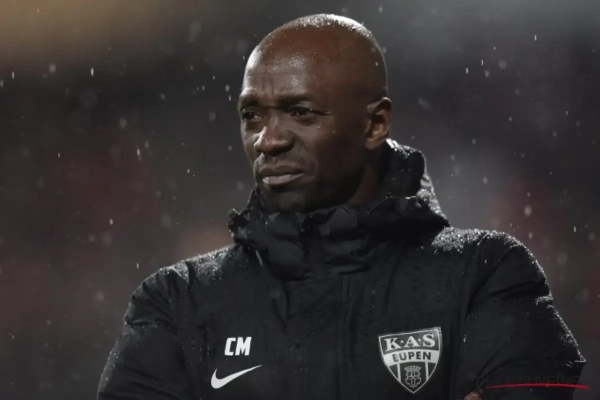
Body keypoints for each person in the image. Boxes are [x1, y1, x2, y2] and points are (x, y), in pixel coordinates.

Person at [97, 14, 585, 400]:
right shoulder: (178, 302)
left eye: (300, 112)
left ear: (375, 125)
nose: (267, 140)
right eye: (252, 116)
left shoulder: (485, 276)